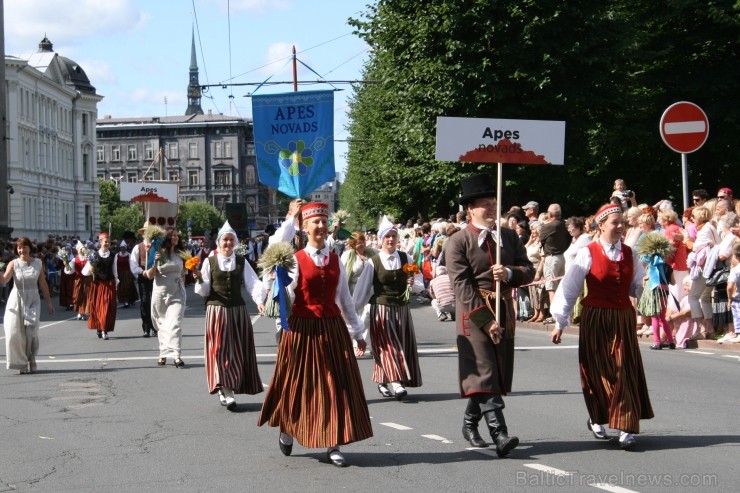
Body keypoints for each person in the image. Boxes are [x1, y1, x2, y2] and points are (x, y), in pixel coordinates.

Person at [258, 202, 372, 468]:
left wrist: (357, 333)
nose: (320, 226)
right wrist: (279, 284)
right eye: (315, 222)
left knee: (335, 385)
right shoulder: (295, 261)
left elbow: (345, 299)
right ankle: (287, 427)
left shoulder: (336, 260)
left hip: (331, 328)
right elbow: (286, 297)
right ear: (305, 227)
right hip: (302, 330)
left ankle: (334, 443)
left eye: (323, 221)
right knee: (299, 384)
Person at [550, 203, 653, 450]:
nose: (620, 226)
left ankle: (626, 427)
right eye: (615, 222)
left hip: (622, 319)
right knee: (597, 370)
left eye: (622, 222)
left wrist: (651, 288)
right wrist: (560, 322)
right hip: (595, 318)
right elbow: (570, 288)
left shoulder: (630, 253)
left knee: (624, 369)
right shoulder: (588, 252)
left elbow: (637, 285)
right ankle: (597, 417)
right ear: (601, 225)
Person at [445, 174, 535, 456]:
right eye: (485, 204)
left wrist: (509, 273)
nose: (492, 207)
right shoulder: (458, 241)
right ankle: (500, 434)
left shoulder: (507, 236)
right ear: (470, 208)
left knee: (492, 375)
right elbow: (461, 285)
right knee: (484, 370)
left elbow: (528, 269)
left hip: (504, 309)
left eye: (494, 202)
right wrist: (486, 321)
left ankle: (470, 422)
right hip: (474, 315)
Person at [194, 221, 265, 410]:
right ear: (218, 242)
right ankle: (225, 389)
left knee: (237, 350)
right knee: (220, 350)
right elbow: (204, 290)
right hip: (216, 311)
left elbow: (253, 282)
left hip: (238, 311)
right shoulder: (210, 261)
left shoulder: (240, 261)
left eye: (230, 240)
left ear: (235, 242)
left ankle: (229, 388)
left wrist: (259, 300)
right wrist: (199, 278)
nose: (228, 243)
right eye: (225, 240)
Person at [353, 216, 422, 400]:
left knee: (401, 343)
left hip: (402, 309)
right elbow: (362, 290)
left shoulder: (406, 258)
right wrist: (352, 313)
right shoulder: (373, 262)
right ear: (381, 239)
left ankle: (383, 381)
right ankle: (396, 383)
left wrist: (413, 282)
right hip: (381, 309)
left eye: (393, 236)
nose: (391, 240)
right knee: (389, 346)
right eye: (387, 237)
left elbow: (419, 283)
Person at [1, 237, 55, 374]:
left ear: (30, 248)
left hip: (33, 299)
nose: (21, 250)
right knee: (14, 333)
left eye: (24, 247)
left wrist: (49, 303)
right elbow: (5, 280)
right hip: (16, 299)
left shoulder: (37, 263)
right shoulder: (13, 263)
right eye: (19, 247)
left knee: (30, 332)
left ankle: (31, 356)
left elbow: (43, 283)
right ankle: (21, 362)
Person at [144, 228, 187, 368]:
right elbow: (149, 275)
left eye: (177, 235)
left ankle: (176, 355)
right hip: (160, 293)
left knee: (175, 323)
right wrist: (155, 262)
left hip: (177, 292)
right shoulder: (157, 252)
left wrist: (183, 286)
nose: (176, 237)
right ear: (167, 238)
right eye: (173, 235)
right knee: (161, 323)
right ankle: (163, 353)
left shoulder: (181, 254)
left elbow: (184, 273)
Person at [686, 206, 719, 340]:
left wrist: (687, 241)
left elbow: (695, 247)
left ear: (699, 217)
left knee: (693, 297)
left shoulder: (704, 230)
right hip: (713, 268)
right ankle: (710, 329)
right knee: (705, 298)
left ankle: (699, 329)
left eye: (693, 216)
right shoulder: (711, 227)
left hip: (705, 268)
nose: (692, 219)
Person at [536, 203, 570, 322]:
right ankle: (564, 313)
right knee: (562, 287)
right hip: (564, 257)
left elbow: (540, 240)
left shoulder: (548, 226)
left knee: (552, 288)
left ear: (550, 214)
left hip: (551, 258)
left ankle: (555, 315)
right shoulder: (565, 225)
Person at [82, 232, 118, 340]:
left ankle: (105, 330)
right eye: (105, 241)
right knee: (98, 308)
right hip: (97, 285)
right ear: (100, 242)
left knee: (107, 307)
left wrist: (116, 282)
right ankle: (99, 327)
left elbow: (115, 270)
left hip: (109, 284)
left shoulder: (113, 255)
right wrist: (90, 269)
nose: (107, 243)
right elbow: (84, 272)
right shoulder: (94, 255)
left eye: (108, 241)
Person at [130, 223, 156, 337]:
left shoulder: (157, 246)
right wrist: (142, 271)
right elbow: (133, 264)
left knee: (156, 302)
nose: (148, 234)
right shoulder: (138, 247)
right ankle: (146, 327)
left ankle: (155, 326)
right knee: (145, 302)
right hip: (144, 277)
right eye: (146, 232)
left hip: (156, 277)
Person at [725, 243, 740, 343]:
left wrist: (730, 298)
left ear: (734, 256)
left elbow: (730, 287)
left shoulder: (736, 270)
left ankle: (739, 334)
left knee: (736, 309)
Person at [115, 240, 137, 308]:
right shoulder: (117, 255)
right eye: (121, 248)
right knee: (121, 288)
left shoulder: (129, 255)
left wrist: (133, 273)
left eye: (123, 248)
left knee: (127, 286)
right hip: (119, 273)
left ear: (125, 248)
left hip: (127, 273)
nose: (122, 249)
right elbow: (115, 264)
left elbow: (132, 264)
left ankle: (128, 301)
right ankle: (123, 301)